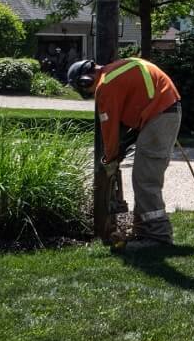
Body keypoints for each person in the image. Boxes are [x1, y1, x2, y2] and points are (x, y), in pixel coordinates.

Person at [67, 56, 182, 246]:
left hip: (160, 115)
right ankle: (142, 230)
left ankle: (158, 236)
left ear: (85, 80)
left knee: (146, 179)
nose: (90, 93)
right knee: (142, 177)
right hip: (162, 111)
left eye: (85, 89)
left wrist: (110, 160)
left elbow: (109, 130)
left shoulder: (106, 85)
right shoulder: (115, 70)